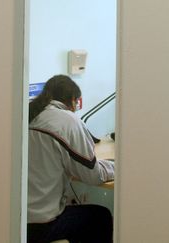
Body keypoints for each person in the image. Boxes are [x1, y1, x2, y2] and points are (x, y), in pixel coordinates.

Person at [27, 74, 115, 243]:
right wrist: (115, 167)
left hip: (17, 221)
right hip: (42, 225)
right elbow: (93, 176)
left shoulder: (29, 114)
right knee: (100, 217)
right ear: (73, 100)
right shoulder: (68, 120)